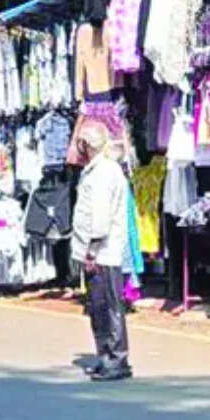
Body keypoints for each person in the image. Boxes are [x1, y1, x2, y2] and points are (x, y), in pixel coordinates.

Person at [72, 120, 134, 381]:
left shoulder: (103, 173)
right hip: (99, 251)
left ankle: (117, 359)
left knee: (109, 306)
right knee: (98, 306)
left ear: (86, 144)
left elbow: (100, 218)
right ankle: (106, 356)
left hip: (103, 252)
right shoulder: (98, 170)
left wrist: (91, 251)